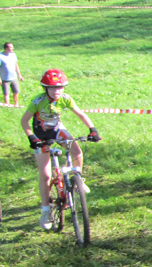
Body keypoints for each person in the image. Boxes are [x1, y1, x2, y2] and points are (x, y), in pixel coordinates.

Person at [20, 69, 101, 230]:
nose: (57, 91)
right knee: (45, 175)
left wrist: (92, 129)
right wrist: (32, 138)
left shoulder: (65, 99)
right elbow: (24, 121)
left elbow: (80, 114)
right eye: (53, 88)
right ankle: (45, 211)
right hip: (40, 135)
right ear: (45, 88)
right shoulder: (37, 101)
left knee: (77, 152)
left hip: (57, 129)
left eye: (60, 87)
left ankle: (77, 179)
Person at [0, 42, 25, 106]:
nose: (12, 48)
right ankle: (7, 105)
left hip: (14, 77)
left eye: (12, 47)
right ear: (6, 48)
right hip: (5, 79)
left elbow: (16, 65)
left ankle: (16, 104)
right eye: (10, 47)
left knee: (16, 91)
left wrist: (19, 75)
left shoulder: (13, 55)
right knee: (6, 93)